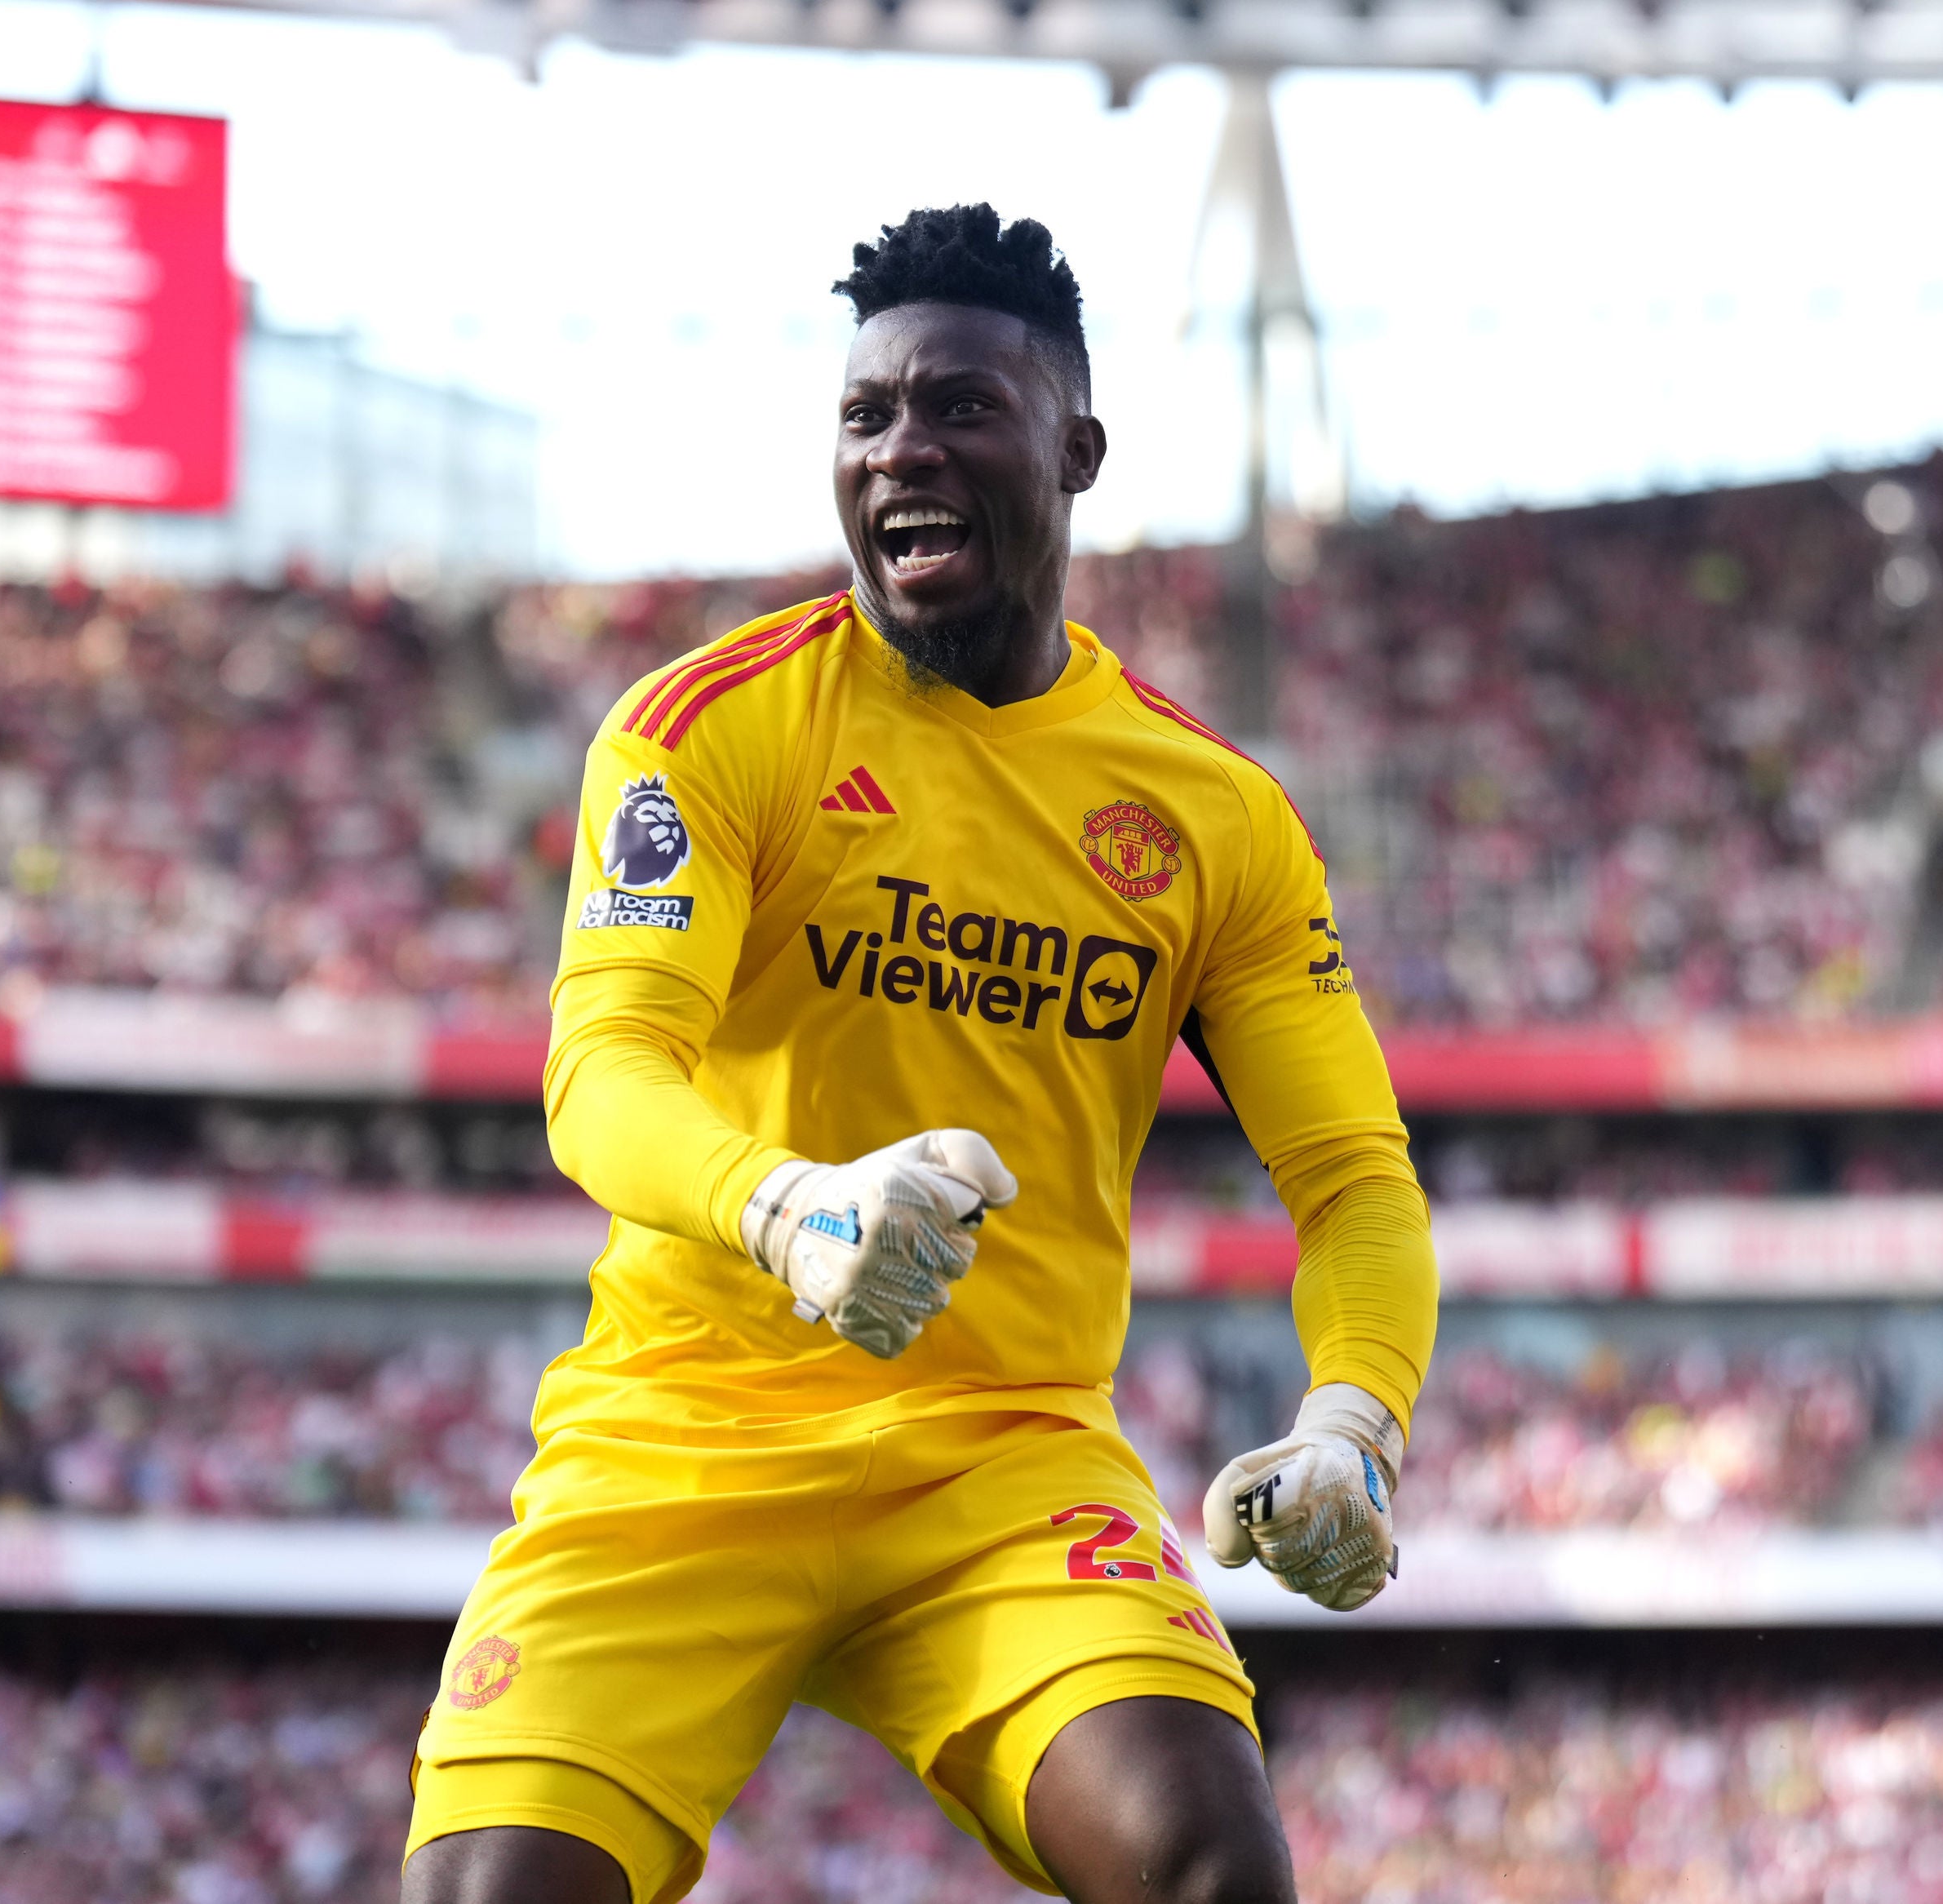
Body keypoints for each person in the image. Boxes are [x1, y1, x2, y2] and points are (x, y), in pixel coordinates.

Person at [403, 203, 1436, 1904]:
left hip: (1004, 1455)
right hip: (680, 1438)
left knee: (1210, 1865)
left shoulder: (1214, 817)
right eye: (865, 417)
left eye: (959, 408)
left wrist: (1350, 1423)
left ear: (1077, 449)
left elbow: (1356, 1186)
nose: (901, 454)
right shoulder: (701, 731)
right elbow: (602, 1075)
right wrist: (791, 1212)